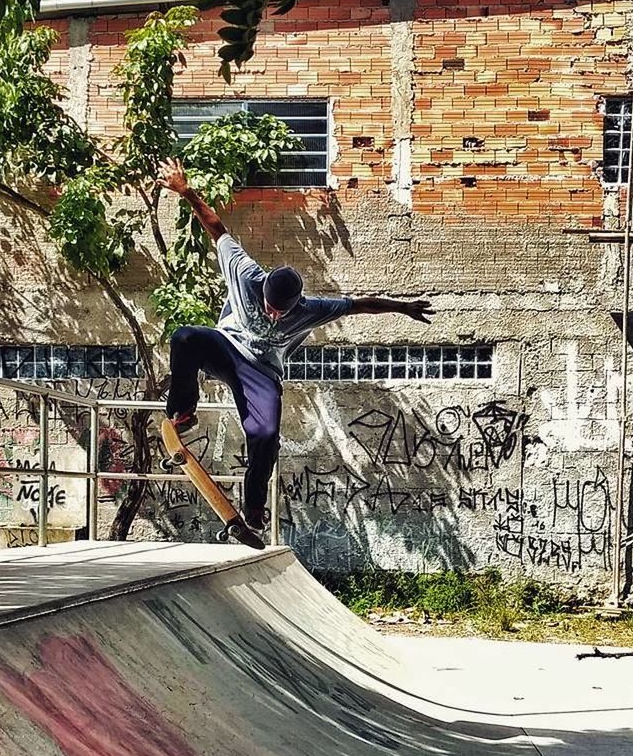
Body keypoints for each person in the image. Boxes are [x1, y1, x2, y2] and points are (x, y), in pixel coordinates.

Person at [157, 156, 434, 532]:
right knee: (185, 337)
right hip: (226, 346)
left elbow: (359, 305)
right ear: (263, 289)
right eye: (270, 309)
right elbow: (216, 227)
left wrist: (404, 308)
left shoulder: (311, 310)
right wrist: (186, 190)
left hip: (262, 371)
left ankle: (253, 509)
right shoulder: (245, 272)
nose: (273, 316)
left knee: (266, 436)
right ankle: (182, 412)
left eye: (281, 313)